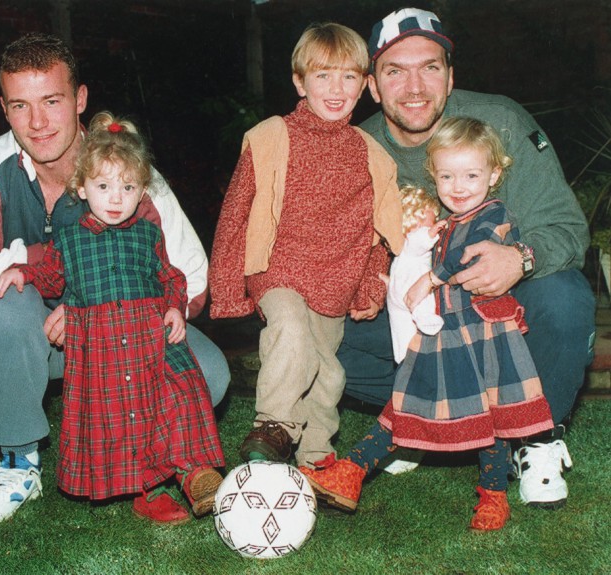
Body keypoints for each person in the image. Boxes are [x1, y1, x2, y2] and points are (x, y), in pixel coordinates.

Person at [0, 32, 230, 525]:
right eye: (20, 106)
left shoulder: (122, 166)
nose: (38, 123)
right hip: (34, 338)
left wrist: (96, 304)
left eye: (52, 101)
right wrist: (28, 260)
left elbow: (192, 275)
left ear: (80, 99)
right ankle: (19, 456)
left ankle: (153, 456)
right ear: (4, 108)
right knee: (4, 301)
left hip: (125, 323)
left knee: (210, 375)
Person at [337, 7, 594, 508]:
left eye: (429, 67)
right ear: (372, 85)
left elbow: (567, 227)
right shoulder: (357, 147)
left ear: (450, 77)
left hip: (499, 314)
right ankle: (424, 418)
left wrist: (518, 259)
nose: (414, 86)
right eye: (395, 70)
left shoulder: (497, 119)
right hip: (420, 314)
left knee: (563, 296)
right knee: (324, 330)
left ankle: (536, 439)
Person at [303, 117, 555, 531]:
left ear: (494, 175)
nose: (459, 186)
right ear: (433, 175)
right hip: (443, 331)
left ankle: (494, 495)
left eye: (471, 175)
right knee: (406, 402)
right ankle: (349, 472)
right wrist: (399, 282)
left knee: (490, 416)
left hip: (481, 332)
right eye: (446, 176)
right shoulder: (445, 222)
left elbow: (472, 255)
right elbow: (417, 259)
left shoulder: (493, 214)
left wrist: (431, 278)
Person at [0, 111, 225, 524]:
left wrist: (174, 306)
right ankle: (144, 491)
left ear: (141, 192)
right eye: (103, 186)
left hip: (149, 338)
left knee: (181, 394)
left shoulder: (149, 234)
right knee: (122, 420)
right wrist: (20, 272)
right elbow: (48, 276)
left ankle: (194, 473)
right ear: (82, 188)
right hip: (100, 348)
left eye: (127, 187)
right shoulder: (69, 239)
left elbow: (172, 276)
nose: (116, 198)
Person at [208, 22, 403, 469]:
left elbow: (380, 233)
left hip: (336, 278)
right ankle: (272, 425)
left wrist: (371, 288)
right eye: (322, 76)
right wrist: (226, 286)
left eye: (348, 77)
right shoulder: (270, 137)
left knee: (326, 372)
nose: (335, 89)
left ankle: (316, 455)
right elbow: (235, 215)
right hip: (277, 269)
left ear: (366, 86)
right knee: (290, 329)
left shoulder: (373, 155)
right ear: (300, 82)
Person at [384, 185, 444, 364]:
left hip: (397, 285)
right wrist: (434, 231)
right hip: (412, 284)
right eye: (431, 221)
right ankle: (426, 319)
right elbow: (421, 239)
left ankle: (401, 353)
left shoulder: (399, 247)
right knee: (422, 299)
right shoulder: (415, 240)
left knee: (400, 324)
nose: (432, 225)